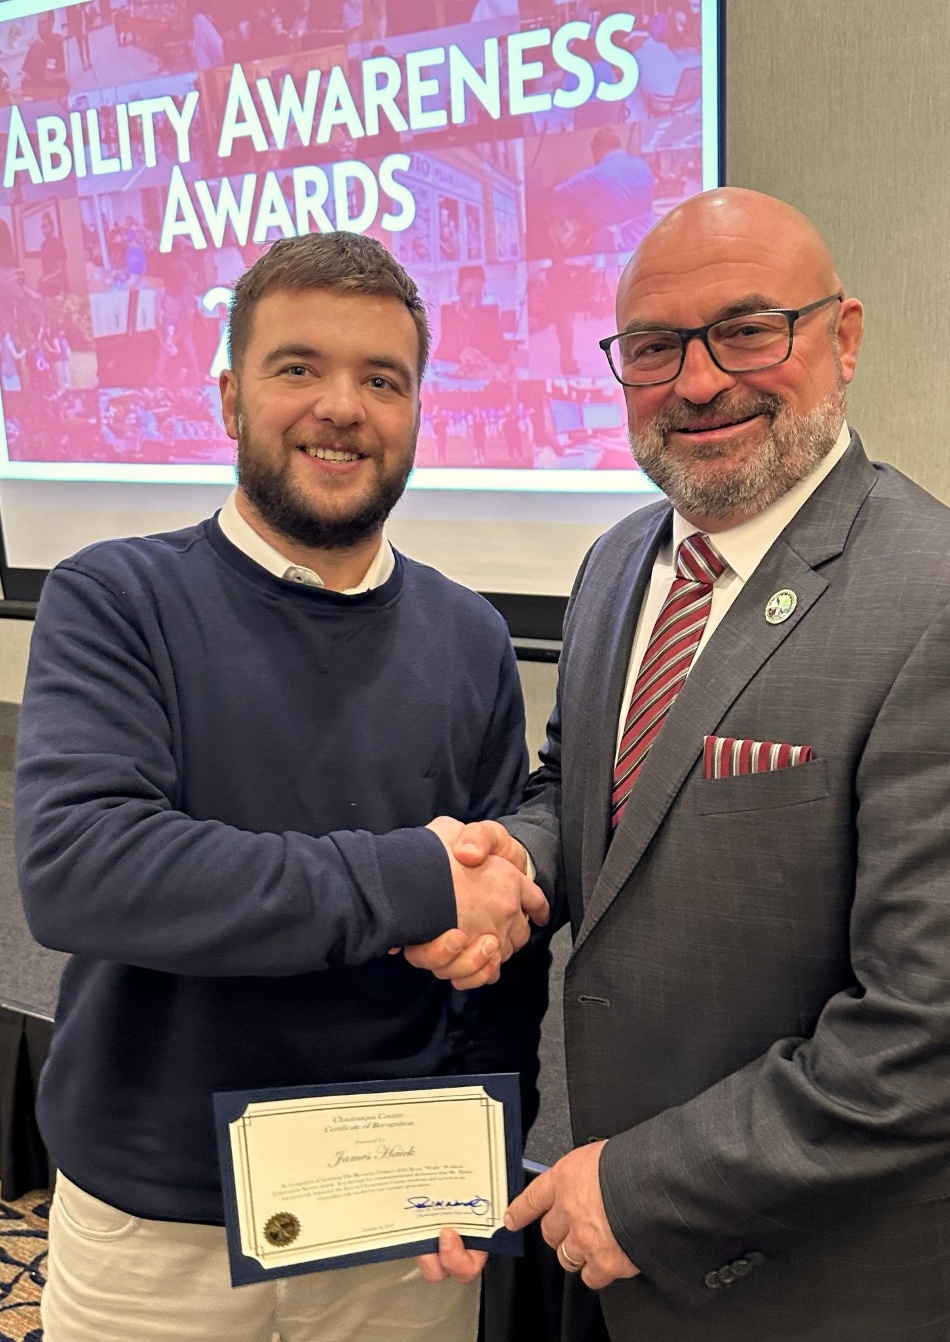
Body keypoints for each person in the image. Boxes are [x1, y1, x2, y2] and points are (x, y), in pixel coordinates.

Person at [418, 187, 950, 1339]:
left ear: (842, 337)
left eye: (748, 329)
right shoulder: (619, 561)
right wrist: (518, 863)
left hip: (814, 1276)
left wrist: (638, 1185)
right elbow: (585, 789)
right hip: (630, 1264)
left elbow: (924, 1027)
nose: (698, 381)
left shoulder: (931, 597)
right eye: (654, 347)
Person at [15, 230, 550, 1342]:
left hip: (397, 1218)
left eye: (380, 379)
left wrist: (485, 1148)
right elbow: (84, 873)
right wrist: (411, 879)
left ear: (416, 409)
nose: (339, 407)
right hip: (157, 1231)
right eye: (297, 367)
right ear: (228, 396)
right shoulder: (114, 598)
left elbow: (499, 938)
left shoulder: (468, 636)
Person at [550, 128, 655, 256]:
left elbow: (557, 194)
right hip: (649, 238)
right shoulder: (642, 165)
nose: (594, 157)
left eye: (594, 152)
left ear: (601, 146)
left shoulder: (592, 176)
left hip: (616, 248)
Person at [435, 264, 511, 374]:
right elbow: (440, 353)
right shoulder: (447, 313)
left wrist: (485, 358)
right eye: (468, 295)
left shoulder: (490, 315)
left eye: (479, 295)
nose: (473, 304)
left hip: (482, 381)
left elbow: (503, 354)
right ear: (458, 290)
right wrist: (461, 353)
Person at [20, 11, 68, 95]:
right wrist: (24, 78)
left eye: (43, 23)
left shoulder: (61, 43)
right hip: (38, 99)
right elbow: (25, 74)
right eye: (38, 23)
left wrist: (55, 78)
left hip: (58, 96)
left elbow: (71, 74)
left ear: (51, 22)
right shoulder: (34, 48)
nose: (39, 27)